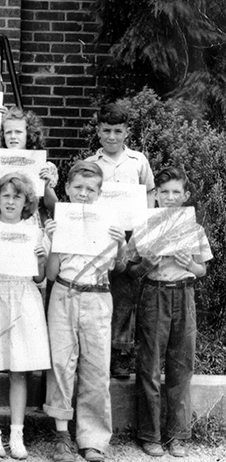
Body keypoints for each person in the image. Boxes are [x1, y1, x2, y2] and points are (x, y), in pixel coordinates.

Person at [44, 161, 128, 462]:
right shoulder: (59, 219)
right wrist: (54, 243)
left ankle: (92, 439)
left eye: (90, 189)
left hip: (97, 296)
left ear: (100, 193)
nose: (83, 193)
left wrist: (121, 244)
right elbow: (50, 275)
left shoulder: (109, 222)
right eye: (78, 187)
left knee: (95, 367)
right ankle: (61, 435)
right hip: (65, 293)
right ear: (66, 189)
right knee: (61, 364)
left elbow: (119, 269)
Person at [126, 167, 212, 458]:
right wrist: (146, 263)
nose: (170, 197)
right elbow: (132, 270)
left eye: (176, 192)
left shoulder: (194, 229)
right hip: (154, 293)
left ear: (186, 195)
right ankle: (150, 434)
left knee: (181, 366)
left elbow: (202, 270)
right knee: (149, 365)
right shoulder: (144, 225)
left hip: (183, 295)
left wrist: (190, 263)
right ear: (155, 195)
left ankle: (177, 436)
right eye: (164, 192)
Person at [0, 173, 50, 460]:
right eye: (5, 196)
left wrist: (41, 258)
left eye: (16, 197)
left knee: (20, 369)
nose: (10, 201)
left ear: (26, 202)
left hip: (23, 297)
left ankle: (17, 434)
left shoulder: (35, 232)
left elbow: (39, 276)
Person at [85, 102, 156, 379]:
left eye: (117, 131)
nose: (111, 137)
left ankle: (121, 354)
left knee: (125, 293)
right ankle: (99, 352)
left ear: (127, 132)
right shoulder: (92, 163)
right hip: (100, 235)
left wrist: (144, 224)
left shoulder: (138, 161)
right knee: (102, 290)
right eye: (106, 131)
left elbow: (149, 192)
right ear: (98, 131)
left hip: (129, 235)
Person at [0, 106, 59, 220]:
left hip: (33, 224)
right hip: (4, 224)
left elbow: (54, 207)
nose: (13, 136)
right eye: (8, 132)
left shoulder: (44, 166)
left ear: (29, 134)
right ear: (3, 135)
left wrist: (46, 186)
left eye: (18, 132)